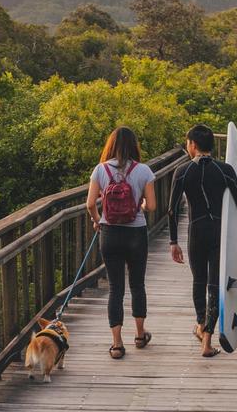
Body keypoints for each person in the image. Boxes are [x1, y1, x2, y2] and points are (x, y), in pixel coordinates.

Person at [168, 124, 237, 358]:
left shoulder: (183, 172)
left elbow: (172, 210)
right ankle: (206, 340)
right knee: (215, 285)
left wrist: (173, 241)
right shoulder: (225, 170)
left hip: (196, 231)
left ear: (193, 145)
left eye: (188, 142)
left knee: (199, 281)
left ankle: (200, 324)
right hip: (219, 233)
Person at [85, 126, 157, 359]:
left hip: (110, 233)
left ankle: (117, 344)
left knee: (116, 288)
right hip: (136, 232)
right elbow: (152, 206)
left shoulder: (100, 170)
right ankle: (139, 334)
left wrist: (98, 221)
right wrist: (141, 206)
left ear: (111, 145)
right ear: (134, 145)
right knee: (137, 285)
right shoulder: (143, 170)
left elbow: (89, 204)